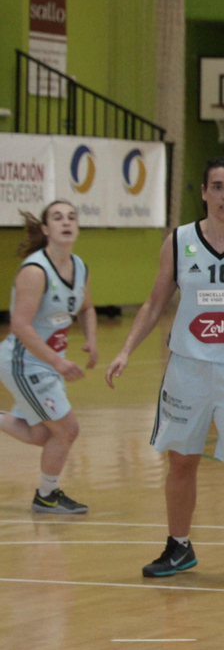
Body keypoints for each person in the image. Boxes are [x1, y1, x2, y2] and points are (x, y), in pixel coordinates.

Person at [105, 155, 224, 579]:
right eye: (218, 186)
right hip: (188, 367)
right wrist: (125, 350)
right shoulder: (179, 240)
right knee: (181, 463)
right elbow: (155, 303)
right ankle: (179, 546)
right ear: (205, 192)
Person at [0, 201, 95, 514]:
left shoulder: (80, 266)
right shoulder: (35, 270)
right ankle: (46, 496)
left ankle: (47, 494)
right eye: (57, 218)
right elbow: (20, 325)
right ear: (45, 229)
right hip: (24, 361)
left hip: (45, 362)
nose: (66, 222)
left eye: (71, 217)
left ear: (77, 227)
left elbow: (86, 307)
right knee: (68, 430)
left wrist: (91, 340)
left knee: (45, 433)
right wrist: (56, 361)